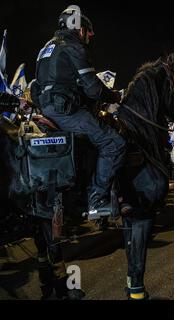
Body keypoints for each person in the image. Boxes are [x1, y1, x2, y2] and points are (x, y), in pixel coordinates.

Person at [33, 6, 125, 219]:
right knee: (114, 143)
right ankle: (96, 199)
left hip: (47, 110)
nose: (91, 34)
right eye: (88, 29)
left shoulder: (45, 48)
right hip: (65, 112)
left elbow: (39, 86)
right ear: (78, 29)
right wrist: (114, 97)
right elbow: (93, 88)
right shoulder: (73, 46)